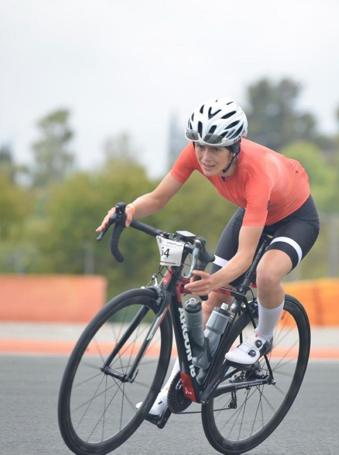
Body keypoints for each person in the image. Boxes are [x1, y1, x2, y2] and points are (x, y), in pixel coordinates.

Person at [96, 97, 320, 420]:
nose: (205, 156)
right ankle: (168, 391)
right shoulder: (195, 155)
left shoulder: (257, 174)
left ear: (234, 149)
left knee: (267, 273)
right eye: (200, 145)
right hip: (254, 211)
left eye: (215, 149)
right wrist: (129, 210)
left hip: (295, 217)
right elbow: (159, 198)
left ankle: (263, 340)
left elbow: (245, 257)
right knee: (210, 301)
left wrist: (215, 278)